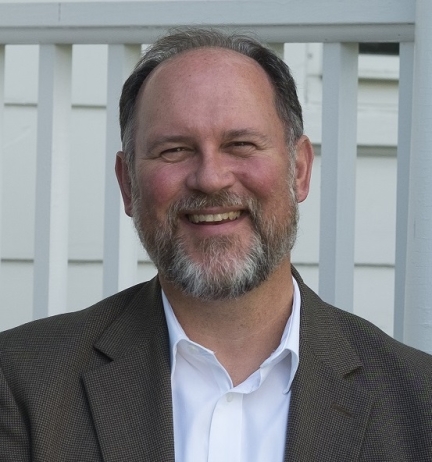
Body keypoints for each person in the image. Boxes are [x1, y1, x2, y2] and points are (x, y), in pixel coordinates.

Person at [0, 28, 431, 462]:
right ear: (128, 184)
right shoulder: (22, 385)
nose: (210, 178)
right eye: (174, 150)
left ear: (299, 170)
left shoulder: (419, 403)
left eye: (240, 145)